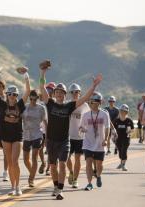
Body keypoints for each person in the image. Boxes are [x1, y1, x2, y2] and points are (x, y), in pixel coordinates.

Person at [39, 60, 102, 200]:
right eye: (57, 92)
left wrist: (93, 86)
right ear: (54, 94)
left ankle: (60, 190)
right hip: (50, 141)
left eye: (62, 92)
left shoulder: (69, 106)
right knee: (53, 166)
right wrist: (43, 72)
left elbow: (85, 98)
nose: (59, 94)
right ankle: (56, 186)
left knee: (62, 165)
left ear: (65, 95)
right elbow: (42, 87)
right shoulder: (49, 104)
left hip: (63, 141)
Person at [0, 67, 30, 196]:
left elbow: (28, 91)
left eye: (14, 94)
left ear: (17, 96)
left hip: (17, 136)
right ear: (7, 95)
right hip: (5, 136)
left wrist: (26, 75)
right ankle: (13, 187)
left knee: (15, 161)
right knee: (9, 162)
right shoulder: (2, 105)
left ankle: (18, 186)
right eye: (10, 94)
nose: (12, 96)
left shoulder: (20, 105)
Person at [81, 92, 110, 191]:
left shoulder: (104, 114)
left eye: (97, 102)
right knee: (88, 163)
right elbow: (81, 127)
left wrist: (106, 139)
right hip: (88, 143)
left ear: (100, 103)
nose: (94, 104)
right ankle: (89, 183)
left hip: (100, 143)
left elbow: (107, 127)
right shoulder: (85, 115)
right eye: (92, 102)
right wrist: (82, 129)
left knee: (99, 165)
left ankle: (98, 175)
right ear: (90, 103)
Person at [66, 83, 90, 188]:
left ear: (80, 93)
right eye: (73, 92)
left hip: (80, 137)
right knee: (66, 158)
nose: (75, 94)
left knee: (77, 159)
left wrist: (86, 128)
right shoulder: (67, 104)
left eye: (77, 92)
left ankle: (75, 180)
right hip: (68, 136)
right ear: (70, 93)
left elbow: (89, 119)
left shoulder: (85, 105)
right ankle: (71, 172)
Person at [22, 90, 47, 187]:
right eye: (31, 99)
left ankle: (31, 179)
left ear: (37, 98)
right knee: (25, 159)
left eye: (35, 99)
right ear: (29, 98)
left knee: (34, 157)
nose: (33, 101)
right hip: (27, 135)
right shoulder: (24, 107)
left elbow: (45, 122)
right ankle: (32, 172)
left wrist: (47, 137)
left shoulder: (41, 108)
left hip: (37, 135)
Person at [39, 82, 55, 176]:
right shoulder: (42, 103)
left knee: (49, 150)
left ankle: (48, 168)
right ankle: (43, 162)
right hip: (41, 130)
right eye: (47, 90)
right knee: (39, 149)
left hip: (52, 130)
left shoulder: (56, 103)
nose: (49, 92)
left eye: (51, 90)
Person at [113, 104, 134, 171]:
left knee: (124, 150)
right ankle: (121, 162)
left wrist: (129, 131)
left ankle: (123, 165)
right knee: (120, 151)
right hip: (118, 138)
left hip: (126, 138)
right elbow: (113, 129)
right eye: (121, 111)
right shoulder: (116, 120)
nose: (123, 112)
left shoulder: (129, 120)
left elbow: (133, 129)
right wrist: (113, 136)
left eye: (124, 111)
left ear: (127, 112)